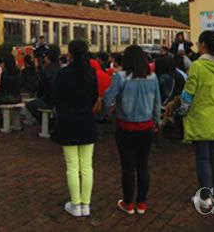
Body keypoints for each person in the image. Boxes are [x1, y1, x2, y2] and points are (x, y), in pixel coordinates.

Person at [102, 45, 161, 215]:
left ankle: (128, 203)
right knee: (143, 165)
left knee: (127, 166)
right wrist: (156, 120)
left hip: (125, 126)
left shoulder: (120, 77)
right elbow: (157, 102)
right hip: (146, 126)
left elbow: (107, 98)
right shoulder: (152, 77)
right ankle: (141, 203)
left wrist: (106, 112)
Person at [179, 30, 214, 211]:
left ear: (203, 45)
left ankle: (204, 197)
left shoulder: (197, 66)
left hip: (200, 119)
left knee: (203, 159)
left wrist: (182, 110)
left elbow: (188, 93)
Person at [52, 40, 98, 218]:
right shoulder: (91, 73)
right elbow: (94, 97)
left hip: (68, 120)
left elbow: (57, 98)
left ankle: (75, 204)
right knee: (87, 166)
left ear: (70, 54)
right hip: (87, 120)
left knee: (72, 166)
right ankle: (86, 204)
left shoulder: (63, 73)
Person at [26, 49, 61, 124]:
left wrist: (39, 96)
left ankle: (46, 123)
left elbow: (41, 87)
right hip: (59, 99)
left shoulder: (46, 70)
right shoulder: (60, 69)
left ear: (48, 58)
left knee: (29, 105)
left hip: (49, 100)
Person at [0, 54, 22, 128]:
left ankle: (0, 122)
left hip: (6, 97)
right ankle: (17, 121)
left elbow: (1, 87)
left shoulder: (4, 73)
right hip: (17, 97)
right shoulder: (18, 72)